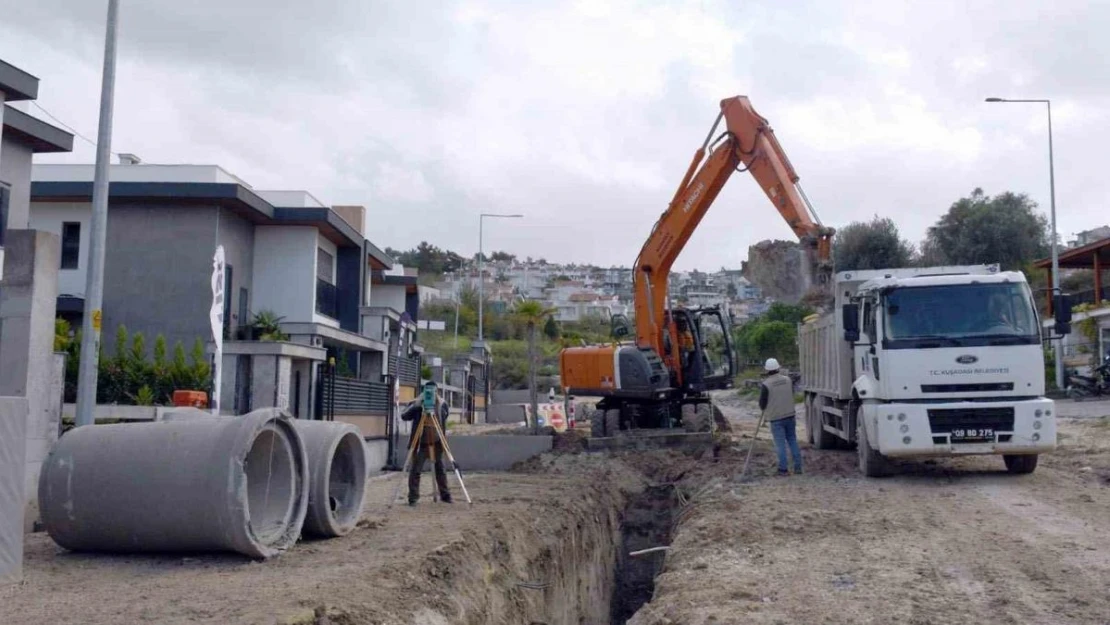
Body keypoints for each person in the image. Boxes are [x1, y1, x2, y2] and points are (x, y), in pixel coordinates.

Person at [401, 392, 452, 505]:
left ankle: (445, 496)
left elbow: (446, 415)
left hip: (437, 442)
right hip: (421, 444)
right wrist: (417, 405)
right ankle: (413, 497)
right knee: (415, 470)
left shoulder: (442, 404)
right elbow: (404, 416)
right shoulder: (417, 403)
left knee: (441, 470)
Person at [759, 357, 802, 476]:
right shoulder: (788, 380)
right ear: (778, 368)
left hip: (776, 418)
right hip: (790, 415)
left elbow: (762, 403)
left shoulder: (766, 384)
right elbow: (791, 393)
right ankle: (798, 467)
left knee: (780, 444)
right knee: (792, 440)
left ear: (767, 370)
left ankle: (783, 469)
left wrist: (765, 408)